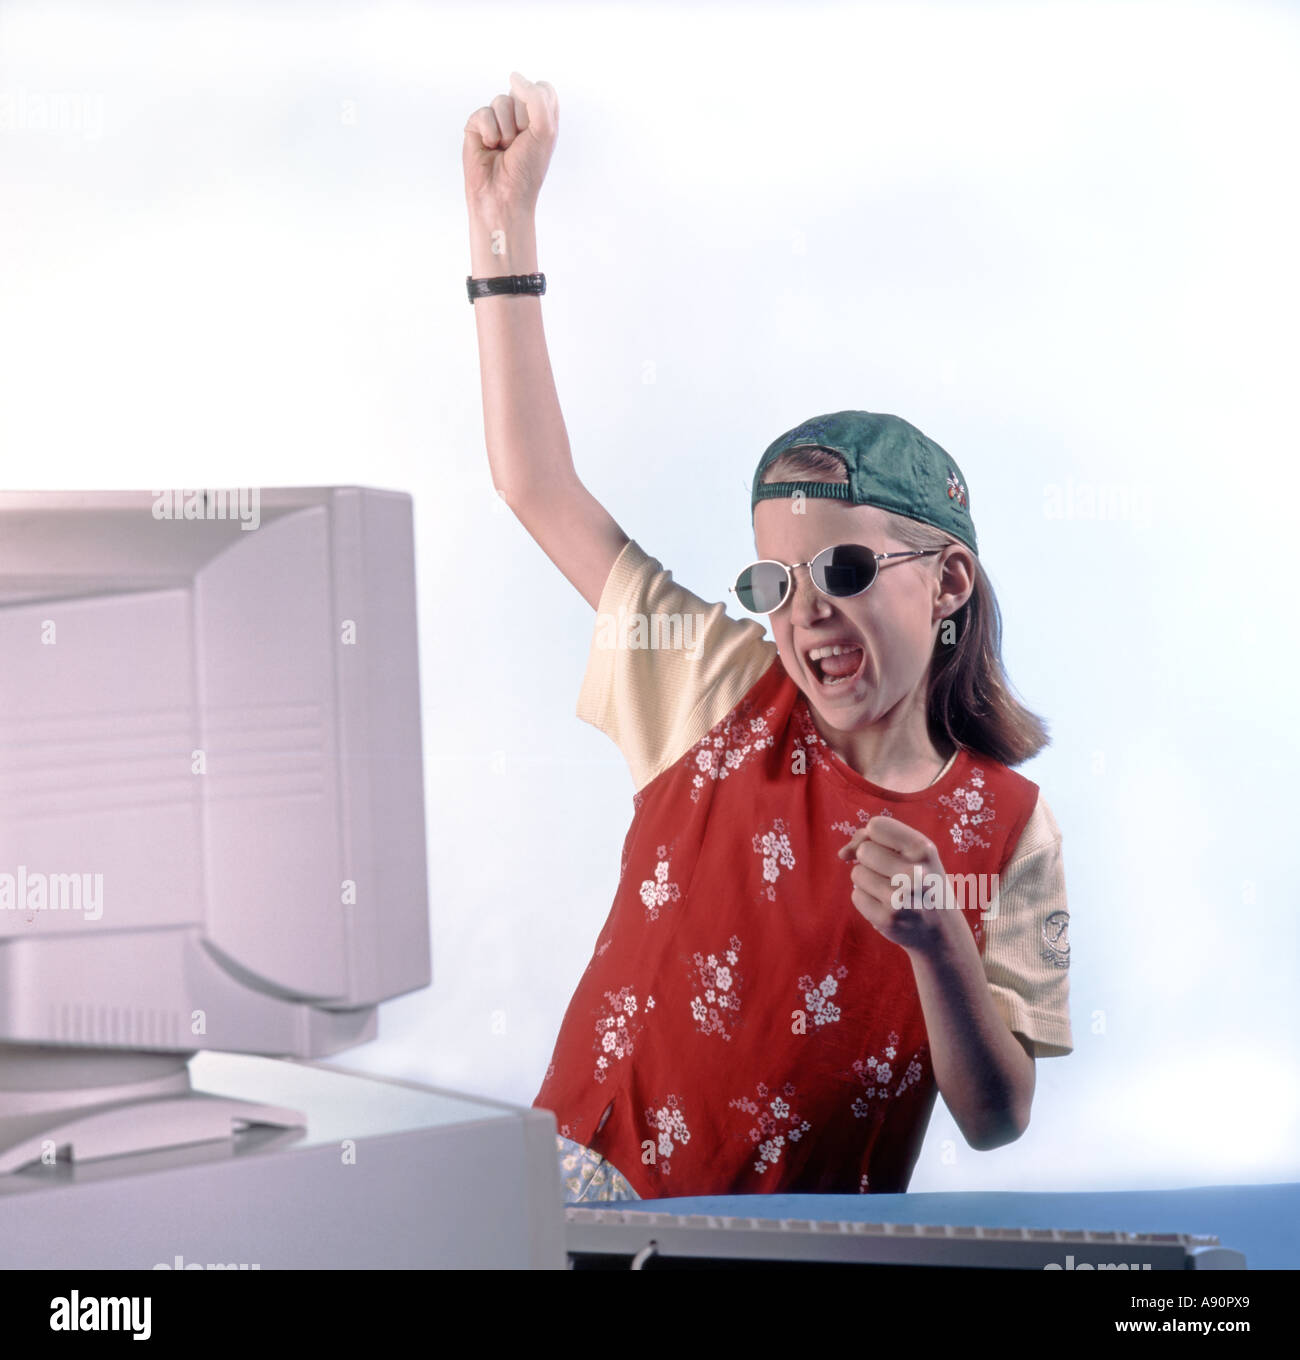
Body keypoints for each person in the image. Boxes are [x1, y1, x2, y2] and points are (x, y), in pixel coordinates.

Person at [462, 73, 1071, 1203]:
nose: (803, 614)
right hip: (578, 1200)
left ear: (946, 581)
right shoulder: (713, 686)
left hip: (790, 1242)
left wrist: (939, 944)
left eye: (843, 570)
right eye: (774, 581)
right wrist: (504, 230)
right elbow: (535, 484)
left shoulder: (1012, 830)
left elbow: (996, 1119)